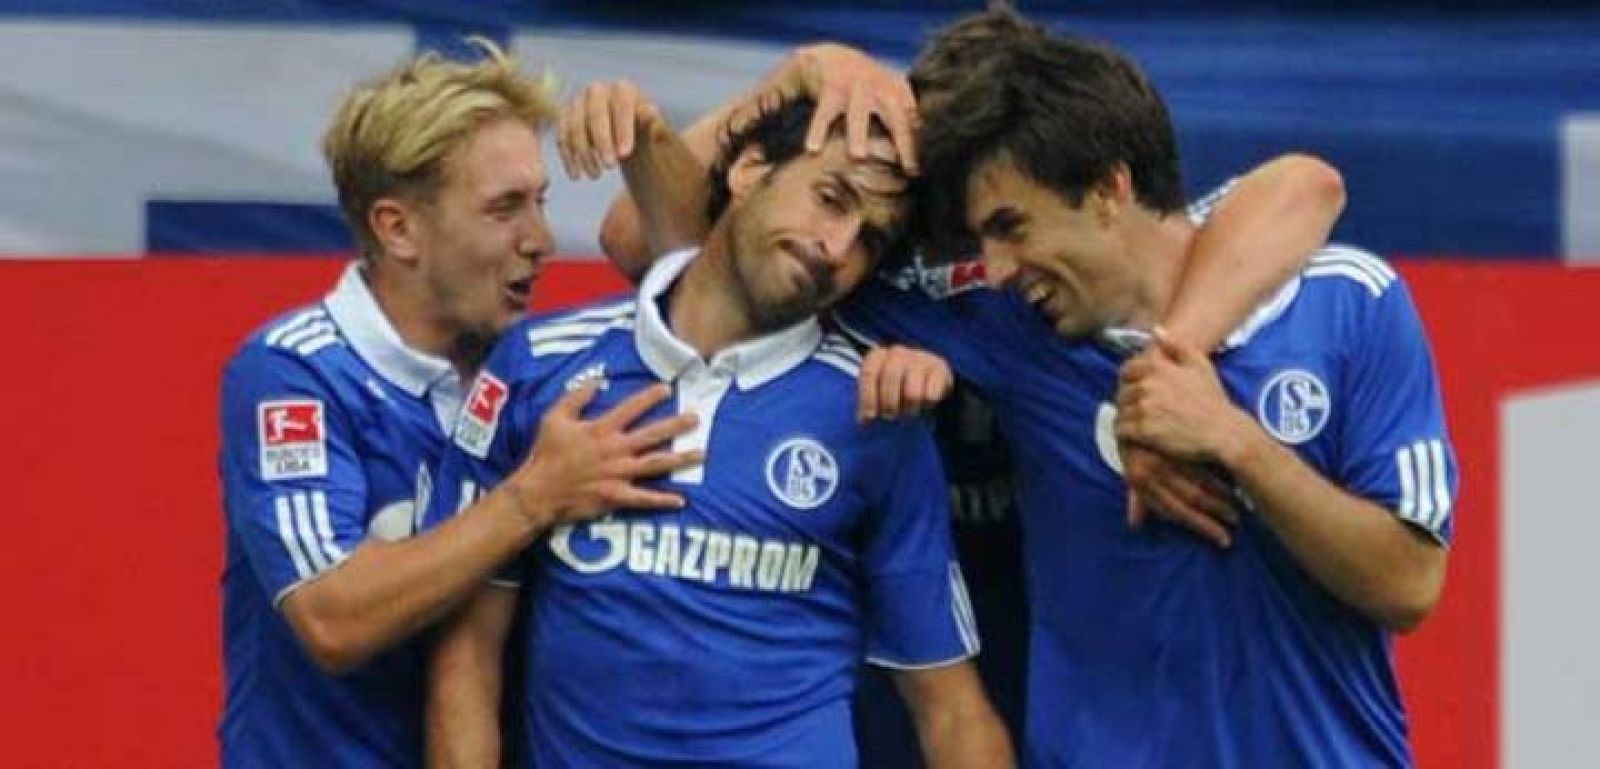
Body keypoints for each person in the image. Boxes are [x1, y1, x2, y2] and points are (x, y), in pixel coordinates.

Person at [593, 18, 1348, 766]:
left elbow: (1304, 186)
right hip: (894, 654)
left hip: (1055, 648)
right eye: (937, 192)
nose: (981, 254)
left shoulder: (1074, 278)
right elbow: (654, 239)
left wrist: (1161, 379)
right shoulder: (862, 266)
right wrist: (797, 74)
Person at [842, 10, 1457, 766]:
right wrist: (812, 69)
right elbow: (744, 252)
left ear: (1108, 189)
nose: (996, 266)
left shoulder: (1347, 304)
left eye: (1012, 226)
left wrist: (1231, 439)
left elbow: (1409, 585)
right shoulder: (1008, 330)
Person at [425, 88, 1014, 768]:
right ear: (749, 170)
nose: (836, 247)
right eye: (831, 198)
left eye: (870, 241)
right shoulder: (537, 367)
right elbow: (464, 658)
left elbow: (951, 708)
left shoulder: (877, 410)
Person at [216, 40, 702, 768]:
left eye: (538, 202)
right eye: (505, 209)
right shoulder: (296, 372)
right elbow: (333, 615)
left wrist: (652, 147)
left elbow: (706, 284)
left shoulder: (537, 369)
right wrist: (532, 497)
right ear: (398, 228)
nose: (540, 241)